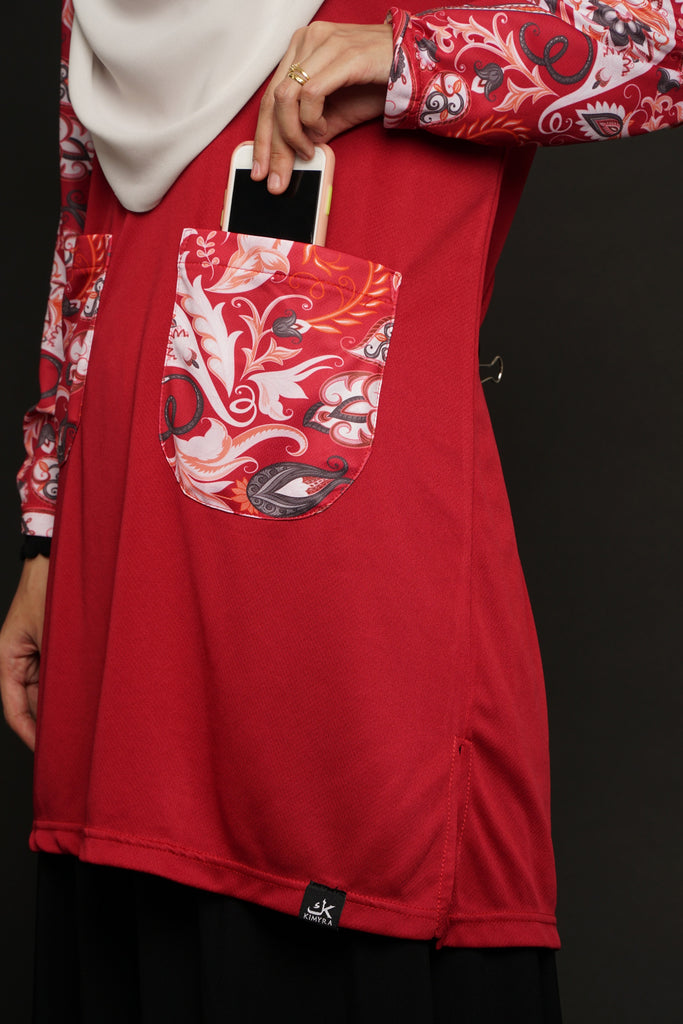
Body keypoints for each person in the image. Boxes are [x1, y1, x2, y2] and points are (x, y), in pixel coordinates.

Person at [1, 1, 681, 1021]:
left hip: (334, 607)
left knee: (345, 907)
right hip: (121, 577)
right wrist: (44, 534)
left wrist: (404, 57)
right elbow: (81, 240)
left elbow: (663, 44)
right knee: (134, 923)